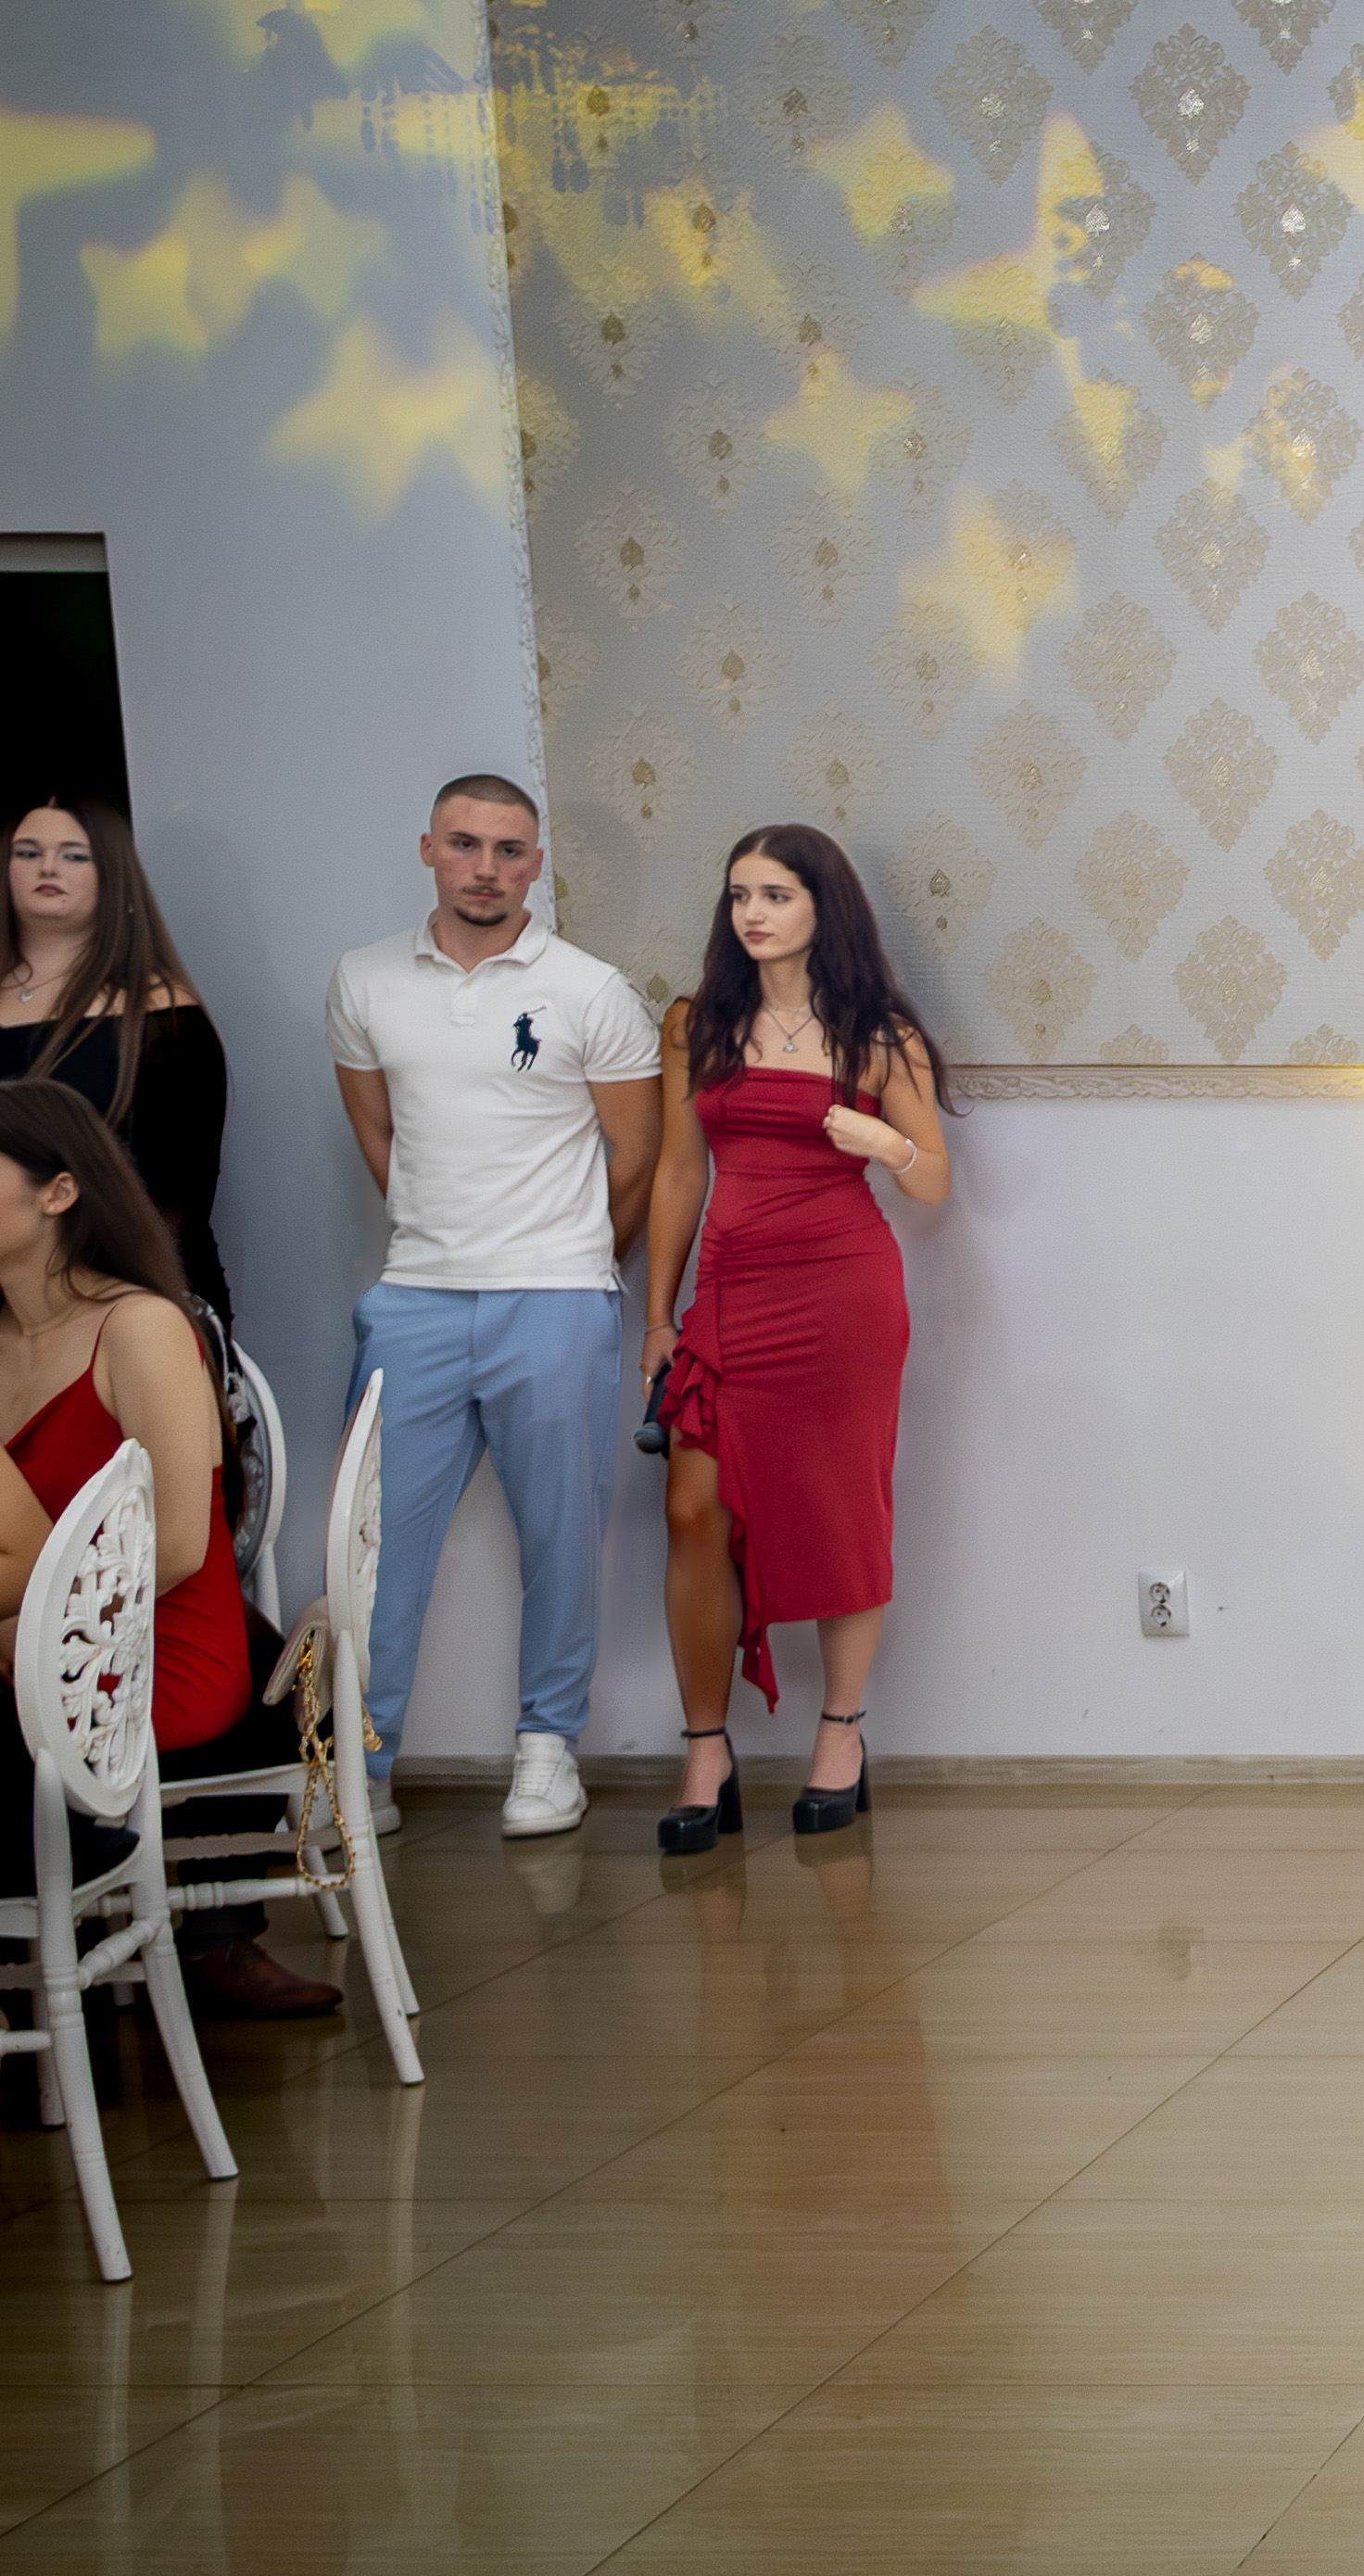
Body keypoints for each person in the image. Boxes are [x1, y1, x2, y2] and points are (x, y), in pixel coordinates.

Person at [329, 776, 661, 1839]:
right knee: (372, 1543)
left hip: (556, 1296)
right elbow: (378, 1132)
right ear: (428, 846)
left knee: (562, 1534)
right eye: (466, 844)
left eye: (510, 850)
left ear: (537, 864)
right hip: (414, 1298)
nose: (486, 868)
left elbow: (637, 1155)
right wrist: (438, 1234)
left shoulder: (591, 990)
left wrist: (572, 1260)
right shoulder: (363, 978)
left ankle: (547, 1752)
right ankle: (361, 1765)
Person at [639, 825, 947, 1853]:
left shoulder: (877, 1035)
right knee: (692, 1509)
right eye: (739, 895)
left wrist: (886, 1139)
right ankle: (706, 1750)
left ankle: (841, 1731)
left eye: (776, 894)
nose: (753, 913)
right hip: (730, 1295)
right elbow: (679, 1171)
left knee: (840, 1507)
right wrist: (658, 1316)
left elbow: (933, 1182)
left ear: (824, 905)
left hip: (841, 1297)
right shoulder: (696, 1023)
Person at [0, 1085, 338, 2018]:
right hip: (34, 1640)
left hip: (158, 1653)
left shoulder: (141, 1326)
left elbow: (181, 1546)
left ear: (59, 1191)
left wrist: (26, 1626)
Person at [5, 800, 239, 1320]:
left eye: (74, 855)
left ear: (113, 876)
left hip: (133, 1300)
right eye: (28, 853)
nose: (48, 868)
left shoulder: (161, 1013)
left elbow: (180, 1198)